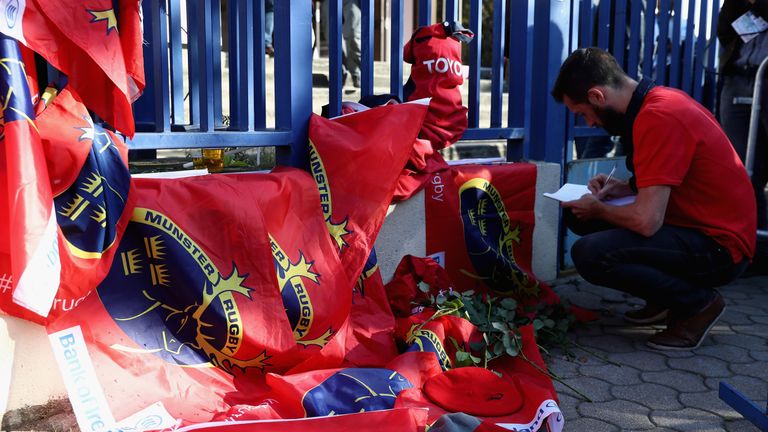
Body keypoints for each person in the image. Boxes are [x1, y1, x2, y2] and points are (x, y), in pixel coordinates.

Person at [551, 47, 756, 350]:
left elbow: (646, 221)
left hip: (722, 247)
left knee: (590, 254)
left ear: (597, 96)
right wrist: (624, 188)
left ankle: (698, 305)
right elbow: (678, 178)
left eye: (584, 114)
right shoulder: (656, 102)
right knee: (577, 216)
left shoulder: (657, 117)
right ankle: (662, 298)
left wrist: (598, 208)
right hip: (704, 228)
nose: (590, 123)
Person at [718, 0, 768, 232]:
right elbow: (724, 32)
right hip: (738, 78)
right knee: (740, 169)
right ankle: (753, 242)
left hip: (764, 76)